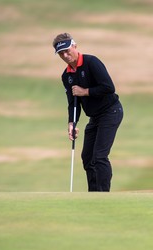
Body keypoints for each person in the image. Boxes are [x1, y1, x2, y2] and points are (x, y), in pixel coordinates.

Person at [52, 33, 123, 192]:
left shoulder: (92, 62)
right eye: (61, 53)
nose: (65, 55)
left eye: (67, 50)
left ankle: (103, 195)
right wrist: (72, 123)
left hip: (111, 111)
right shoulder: (67, 76)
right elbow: (73, 103)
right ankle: (93, 195)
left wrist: (85, 92)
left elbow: (109, 88)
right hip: (95, 117)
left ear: (74, 46)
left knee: (99, 157)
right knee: (87, 157)